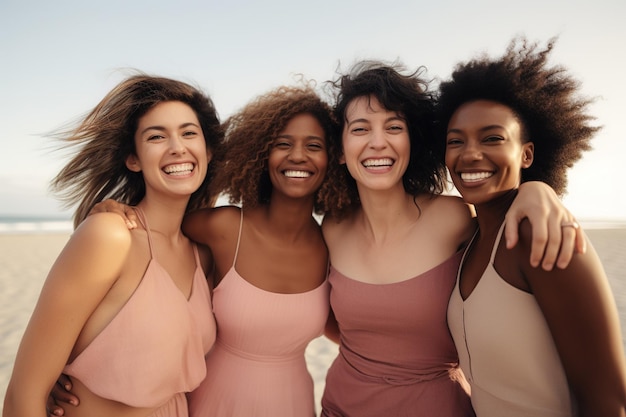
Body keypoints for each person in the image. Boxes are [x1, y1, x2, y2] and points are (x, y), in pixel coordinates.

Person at [47, 84, 344, 417]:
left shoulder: (334, 242)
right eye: (282, 144)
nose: (298, 156)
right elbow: (158, 229)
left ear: (334, 159)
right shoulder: (222, 228)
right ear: (261, 152)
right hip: (211, 401)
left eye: (314, 145)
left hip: (293, 402)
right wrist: (111, 209)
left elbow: (354, 327)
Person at [318, 60, 585, 417]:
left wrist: (537, 189)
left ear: (413, 140)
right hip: (338, 407)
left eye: (394, 127)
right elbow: (335, 327)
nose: (377, 143)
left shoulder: (456, 217)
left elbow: (502, 211)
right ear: (339, 149)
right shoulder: (332, 228)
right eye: (360, 129)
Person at [3, 75, 221, 417]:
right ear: (133, 159)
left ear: (207, 151)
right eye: (156, 136)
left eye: (188, 132)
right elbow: (22, 396)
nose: (177, 146)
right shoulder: (109, 235)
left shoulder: (203, 254)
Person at [440, 37, 626, 416]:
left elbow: (609, 400)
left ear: (526, 154)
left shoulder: (540, 237)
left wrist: (539, 190)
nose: (470, 153)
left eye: (492, 138)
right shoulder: (468, 238)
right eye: (455, 141)